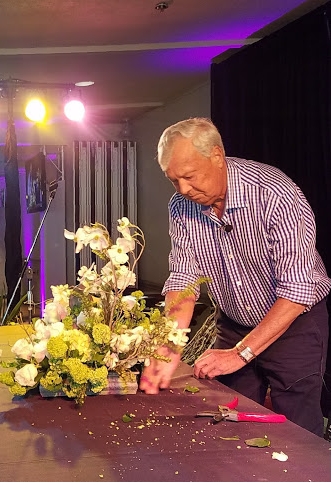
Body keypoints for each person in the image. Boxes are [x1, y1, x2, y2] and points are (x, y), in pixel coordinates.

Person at [140, 117, 331, 437]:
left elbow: (297, 290)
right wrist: (168, 346)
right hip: (233, 321)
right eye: (174, 180)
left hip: (294, 323)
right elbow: (185, 280)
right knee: (227, 419)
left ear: (216, 156)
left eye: (189, 176)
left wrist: (240, 353)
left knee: (298, 433)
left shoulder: (275, 194)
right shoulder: (181, 206)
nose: (183, 189)